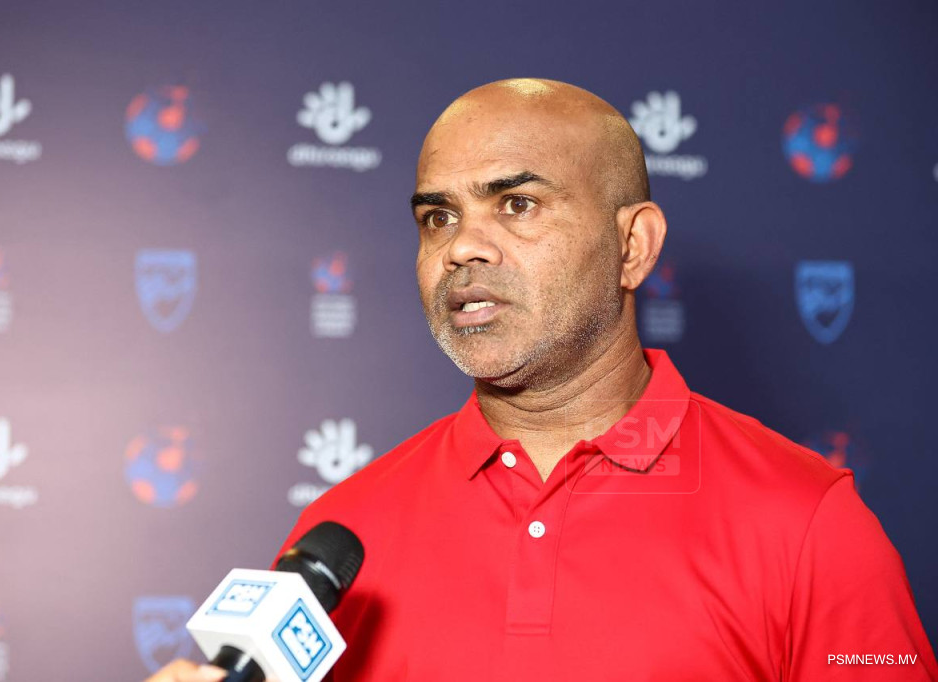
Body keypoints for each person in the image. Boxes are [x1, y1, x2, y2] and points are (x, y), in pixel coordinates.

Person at [146, 79, 938, 681]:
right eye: (437, 218)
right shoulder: (340, 536)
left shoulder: (808, 524)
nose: (462, 248)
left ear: (633, 247)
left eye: (517, 204)